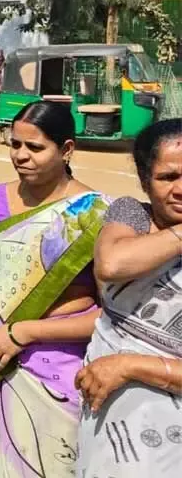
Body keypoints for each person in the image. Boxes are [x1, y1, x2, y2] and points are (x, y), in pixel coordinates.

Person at [0, 100, 107, 477]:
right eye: (15, 144)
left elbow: (111, 315)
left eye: (35, 147)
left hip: (52, 371)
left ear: (67, 150)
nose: (21, 156)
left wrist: (25, 332)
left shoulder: (96, 214)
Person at [75, 118, 182, 476]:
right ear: (144, 179)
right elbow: (112, 263)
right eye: (168, 177)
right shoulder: (131, 213)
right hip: (107, 421)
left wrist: (131, 365)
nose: (180, 189)